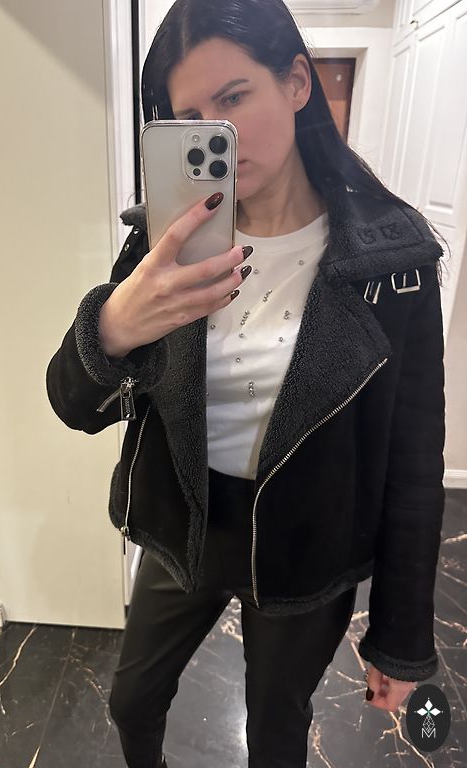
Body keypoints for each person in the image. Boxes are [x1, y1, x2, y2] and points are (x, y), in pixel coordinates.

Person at [46, 1, 448, 765]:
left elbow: (413, 461)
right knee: (131, 701)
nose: (218, 133)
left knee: (276, 729)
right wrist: (115, 326)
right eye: (190, 118)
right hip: (184, 522)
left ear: (296, 81)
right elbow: (72, 404)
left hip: (308, 544)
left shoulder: (391, 261)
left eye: (233, 97)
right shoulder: (163, 246)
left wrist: (401, 640)